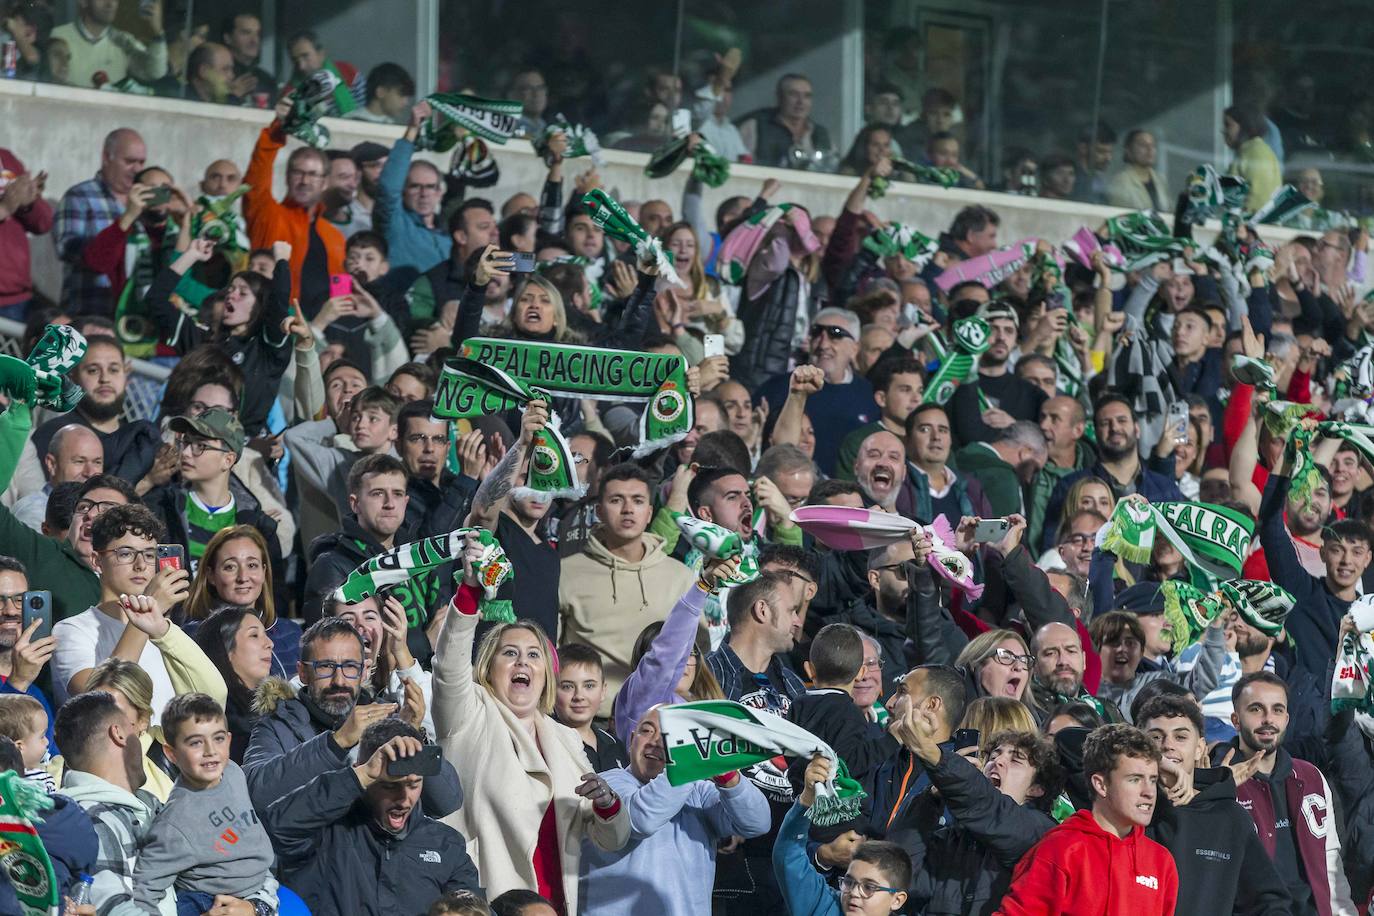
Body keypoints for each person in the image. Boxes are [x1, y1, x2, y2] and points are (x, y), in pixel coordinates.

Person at [432, 532, 630, 914]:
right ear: (489, 668)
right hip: (488, 902)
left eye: (533, 655)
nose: (523, 663)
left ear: (546, 674)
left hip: (556, 903)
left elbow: (611, 839)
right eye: (510, 653)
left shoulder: (566, 738)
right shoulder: (470, 713)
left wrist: (607, 805)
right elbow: (448, 665)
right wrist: (469, 592)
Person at [242, 616, 459, 815]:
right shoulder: (277, 725)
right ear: (303, 673)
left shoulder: (388, 719)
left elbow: (446, 803)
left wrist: (411, 734)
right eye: (325, 667)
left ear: (364, 671)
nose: (339, 680)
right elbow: (257, 794)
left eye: (350, 667)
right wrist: (336, 743)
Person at [263, 719, 483, 915]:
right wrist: (360, 776)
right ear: (363, 775)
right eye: (389, 786)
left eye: (414, 784)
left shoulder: (445, 844)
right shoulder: (323, 832)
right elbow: (276, 828)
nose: (404, 799)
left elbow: (477, 910)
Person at [583, 701, 770, 916]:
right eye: (647, 731)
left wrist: (728, 778)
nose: (656, 742)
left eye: (669, 736)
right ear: (632, 740)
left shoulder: (698, 790)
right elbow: (640, 820)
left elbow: (758, 823)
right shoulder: (609, 783)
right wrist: (689, 763)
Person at [995, 724, 1179, 914]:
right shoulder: (1060, 850)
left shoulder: (1161, 861)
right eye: (1135, 779)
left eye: (1153, 780)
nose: (1149, 792)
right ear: (1101, 785)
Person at [1212, 671, 1355, 914]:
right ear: (1236, 720)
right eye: (1256, 709)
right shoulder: (1220, 783)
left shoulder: (1311, 777)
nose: (1268, 719)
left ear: (1287, 719)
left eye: (1277, 710)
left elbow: (1330, 859)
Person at [1136, 693, 1291, 915]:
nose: (1168, 745)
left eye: (1180, 737)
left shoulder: (1229, 817)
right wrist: (1157, 760)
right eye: (1156, 738)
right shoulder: (1127, 808)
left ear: (1200, 748)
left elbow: (1269, 902)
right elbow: (1070, 745)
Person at [559, 463, 696, 714]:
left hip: (662, 719)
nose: (628, 509)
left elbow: (696, 656)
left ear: (650, 512)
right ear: (599, 511)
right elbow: (552, 657)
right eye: (616, 500)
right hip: (590, 720)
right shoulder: (566, 573)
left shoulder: (681, 577)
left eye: (637, 500)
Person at [50, 504, 204, 717]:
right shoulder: (71, 630)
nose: (140, 564)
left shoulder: (165, 632)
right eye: (125, 553)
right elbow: (102, 704)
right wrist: (148, 611)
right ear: (97, 561)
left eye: (149, 555)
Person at [130, 693, 276, 916]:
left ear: (228, 740)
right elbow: (144, 887)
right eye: (196, 742)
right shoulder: (175, 822)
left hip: (259, 886)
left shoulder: (233, 772)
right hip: (208, 901)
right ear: (172, 754)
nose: (210, 751)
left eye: (217, 739)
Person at [55, 690, 168, 913]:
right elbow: (114, 910)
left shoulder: (147, 803)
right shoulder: (86, 821)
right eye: (134, 729)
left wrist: (255, 905)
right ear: (118, 734)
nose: (141, 738)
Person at [142, 408, 282, 578]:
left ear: (227, 460)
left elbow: (273, 595)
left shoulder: (257, 527)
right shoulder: (162, 509)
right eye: (185, 442)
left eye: (200, 446)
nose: (185, 453)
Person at [773, 755, 912, 916]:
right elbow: (788, 855)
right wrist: (806, 800)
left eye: (869, 887)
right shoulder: (824, 905)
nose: (854, 893)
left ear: (897, 900)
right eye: (849, 882)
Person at [243, 95, 345, 307]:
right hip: (272, 319)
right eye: (298, 172)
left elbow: (341, 290)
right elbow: (257, 177)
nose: (305, 180)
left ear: (325, 182)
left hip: (320, 331)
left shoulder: (335, 237)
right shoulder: (268, 215)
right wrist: (278, 128)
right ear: (287, 177)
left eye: (312, 174)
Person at [756, 311, 879, 475]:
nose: (823, 344)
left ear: (854, 348)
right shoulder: (780, 387)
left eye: (835, 334)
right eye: (816, 332)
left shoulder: (869, 395)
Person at [788, 623, 900, 789]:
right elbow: (848, 763)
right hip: (835, 809)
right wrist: (892, 740)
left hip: (800, 800)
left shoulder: (796, 705)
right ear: (860, 673)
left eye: (872, 663)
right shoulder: (850, 713)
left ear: (809, 670)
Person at [182, 525, 302, 678]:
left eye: (252, 565)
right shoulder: (193, 636)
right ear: (210, 575)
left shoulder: (292, 632)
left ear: (264, 572)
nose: (243, 577)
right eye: (230, 567)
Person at [54, 128, 146, 315]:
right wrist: (114, 236)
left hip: (135, 319)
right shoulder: (80, 196)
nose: (136, 169)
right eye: (129, 161)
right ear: (106, 157)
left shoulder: (146, 201)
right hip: (90, 312)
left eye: (141, 162)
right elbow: (67, 249)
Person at [948, 301, 1048, 446]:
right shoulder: (954, 383)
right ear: (977, 334)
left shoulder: (1033, 395)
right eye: (993, 329)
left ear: (1015, 340)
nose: (1001, 337)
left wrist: (1015, 427)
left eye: (1008, 330)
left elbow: (1048, 442)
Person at [375, 102, 453, 284]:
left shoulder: (453, 236)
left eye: (430, 187)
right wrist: (411, 131)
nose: (424, 193)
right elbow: (388, 188)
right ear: (403, 191)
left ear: (440, 193)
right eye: (415, 186)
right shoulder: (396, 224)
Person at [190, 607, 275, 764]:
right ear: (225, 649)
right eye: (254, 635)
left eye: (266, 635)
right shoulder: (215, 715)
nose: (270, 644)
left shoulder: (282, 707)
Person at [835, 357, 925, 480]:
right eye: (905, 390)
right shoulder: (859, 442)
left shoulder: (930, 440)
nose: (916, 398)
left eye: (920, 391)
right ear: (882, 398)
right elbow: (845, 493)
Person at [50, 0, 168, 90]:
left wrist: (157, 33)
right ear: (83, 1)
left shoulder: (123, 41)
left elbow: (155, 72)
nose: (110, 4)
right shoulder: (59, 36)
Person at [12, 423, 104, 533]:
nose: (89, 472)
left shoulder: (102, 513)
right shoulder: (35, 513)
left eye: (97, 462)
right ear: (52, 464)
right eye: (79, 461)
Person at [553, 644, 627, 772]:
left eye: (589, 686)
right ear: (551, 691)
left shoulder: (614, 744)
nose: (579, 696)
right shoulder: (546, 742)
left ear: (603, 691)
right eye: (567, 686)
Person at [950, 421, 1048, 517]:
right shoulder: (1004, 479)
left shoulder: (958, 457)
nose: (1029, 480)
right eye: (1035, 470)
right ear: (1025, 453)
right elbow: (1001, 531)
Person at [0, 146, 53, 321]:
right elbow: (6, 207)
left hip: (18, 299)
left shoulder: (5, 159)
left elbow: (43, 223)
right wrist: (5, 208)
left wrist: (29, 202)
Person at [737, 74, 833, 169]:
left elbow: (834, 169)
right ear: (779, 97)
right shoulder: (755, 126)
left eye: (807, 96)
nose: (801, 102)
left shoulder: (821, 134)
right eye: (794, 94)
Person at [1224, 105, 1282, 211]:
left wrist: (1241, 221)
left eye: (1228, 125)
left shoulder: (1256, 152)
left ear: (1244, 126)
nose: (1224, 131)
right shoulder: (1248, 151)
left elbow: (1259, 198)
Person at [1107, 129, 1169, 211]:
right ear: (1129, 151)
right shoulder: (1121, 181)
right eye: (1143, 145)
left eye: (1153, 145)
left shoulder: (1161, 181)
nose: (1149, 149)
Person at [220, 12, 272, 101]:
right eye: (246, 33)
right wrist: (232, 96)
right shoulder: (218, 74)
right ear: (228, 38)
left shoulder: (266, 80)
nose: (254, 40)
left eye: (257, 34)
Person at [347, 62, 415, 124]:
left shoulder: (393, 126)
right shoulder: (349, 122)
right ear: (380, 92)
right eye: (401, 94)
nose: (406, 102)